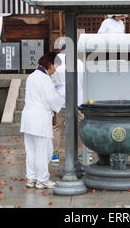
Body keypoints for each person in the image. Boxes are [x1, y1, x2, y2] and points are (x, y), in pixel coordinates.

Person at [21, 52, 65, 189]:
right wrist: (62, 102)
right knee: (44, 150)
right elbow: (51, 98)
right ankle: (42, 179)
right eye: (55, 66)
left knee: (31, 150)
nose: (55, 69)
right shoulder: (44, 79)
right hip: (40, 118)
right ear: (50, 64)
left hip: (28, 118)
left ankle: (31, 178)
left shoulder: (32, 76)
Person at [52, 44, 85, 164]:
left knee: (57, 127)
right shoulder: (80, 63)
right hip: (78, 100)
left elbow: (53, 83)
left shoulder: (56, 63)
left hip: (60, 100)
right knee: (81, 127)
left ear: (61, 49)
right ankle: (83, 153)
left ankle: (55, 154)